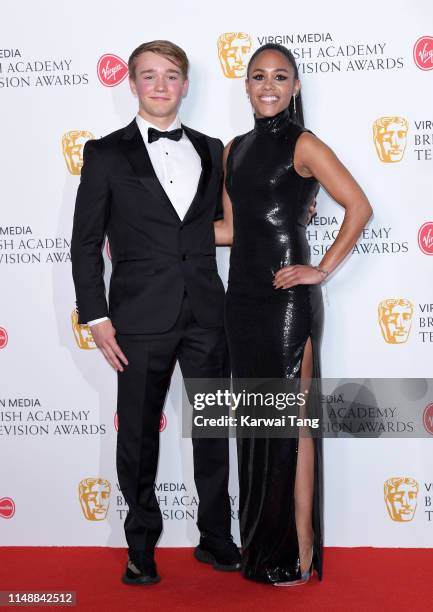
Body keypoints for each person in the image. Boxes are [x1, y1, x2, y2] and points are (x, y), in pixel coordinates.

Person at [71, 40, 241, 586]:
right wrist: (96, 318)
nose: (161, 85)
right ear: (133, 84)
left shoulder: (214, 149)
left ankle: (216, 537)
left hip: (208, 314)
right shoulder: (105, 154)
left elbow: (217, 226)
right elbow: (85, 243)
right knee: (139, 436)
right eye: (149, 76)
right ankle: (140, 547)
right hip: (137, 318)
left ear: (186, 84)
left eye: (171, 75)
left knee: (214, 430)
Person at [214, 43, 372, 585]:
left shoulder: (304, 144)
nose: (268, 85)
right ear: (246, 86)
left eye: (280, 77)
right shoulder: (233, 149)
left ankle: (299, 550)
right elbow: (232, 231)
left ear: (295, 87)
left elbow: (359, 206)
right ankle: (262, 547)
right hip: (243, 302)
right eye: (258, 76)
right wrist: (154, 226)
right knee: (258, 427)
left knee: (292, 428)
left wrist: (320, 269)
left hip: (287, 304)